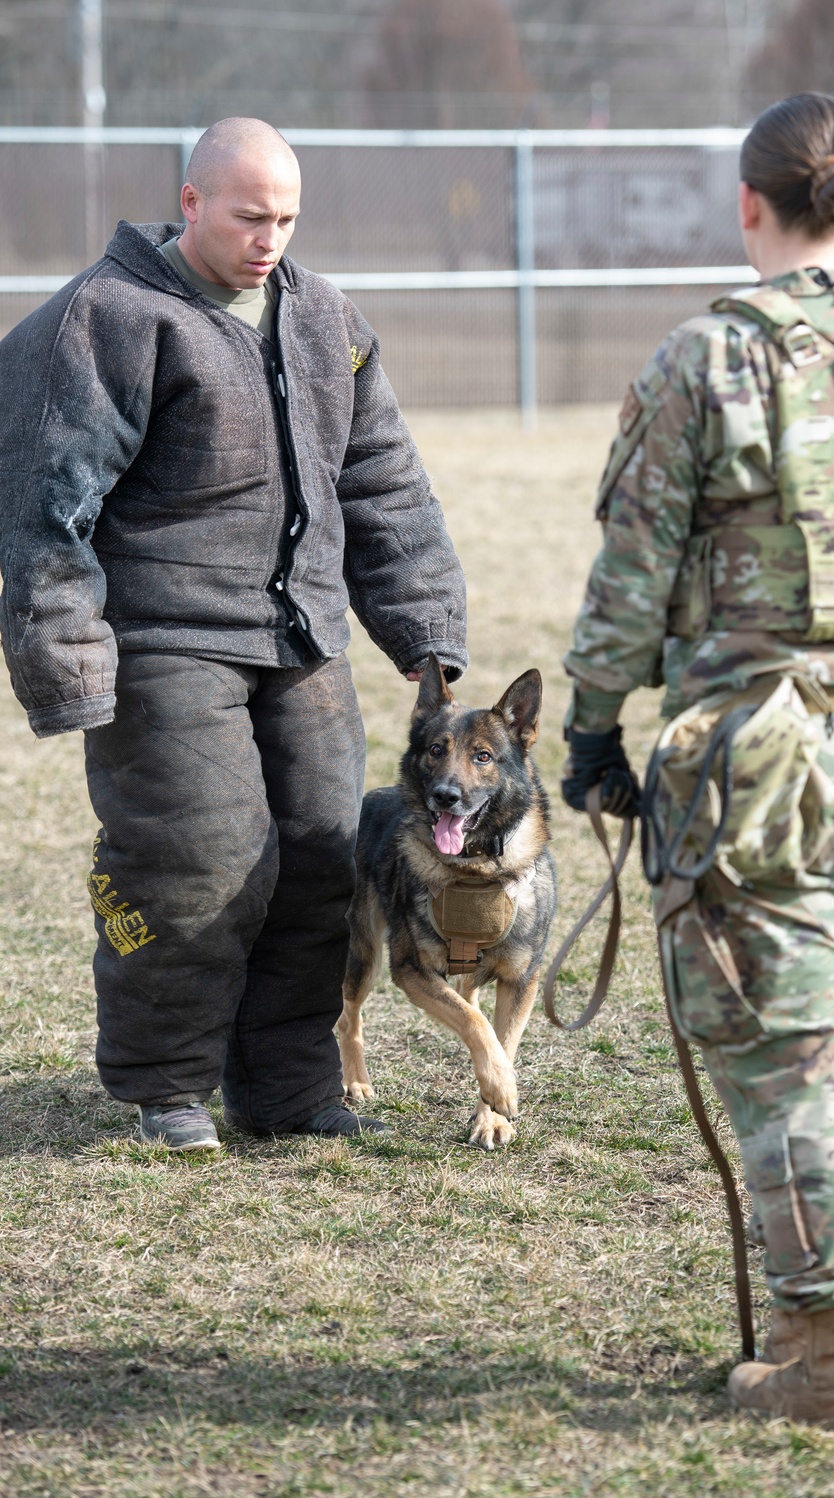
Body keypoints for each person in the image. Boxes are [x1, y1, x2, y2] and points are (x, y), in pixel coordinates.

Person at [560, 92, 834, 1436]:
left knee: (795, 1063)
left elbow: (633, 572)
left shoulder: (707, 359)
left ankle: (833, 1363)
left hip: (767, 762)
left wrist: (591, 728)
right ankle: (825, 1310)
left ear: (748, 206)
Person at [0, 118, 467, 1152]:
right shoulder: (109, 318)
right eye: (250, 215)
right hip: (164, 638)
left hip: (302, 636)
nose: (270, 238)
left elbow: (383, 480)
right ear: (193, 199)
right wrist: (66, 660)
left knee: (317, 856)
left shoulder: (323, 317)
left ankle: (288, 1089)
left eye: (287, 218)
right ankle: (167, 1085)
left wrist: (426, 631)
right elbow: (46, 502)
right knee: (195, 858)